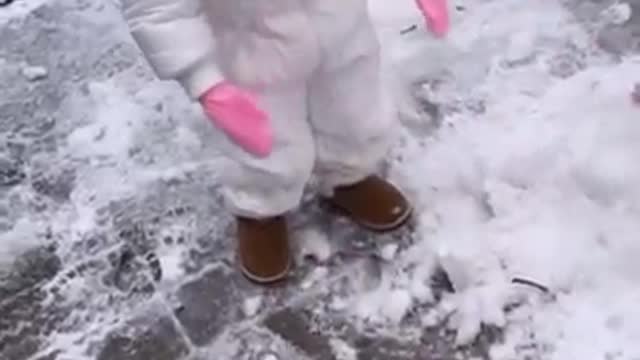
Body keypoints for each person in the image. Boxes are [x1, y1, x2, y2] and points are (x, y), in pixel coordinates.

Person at [122, 0, 448, 284]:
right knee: (266, 144)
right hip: (251, 51)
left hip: (343, 34)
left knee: (352, 113)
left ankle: (348, 174)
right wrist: (205, 81)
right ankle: (260, 206)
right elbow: (156, 8)